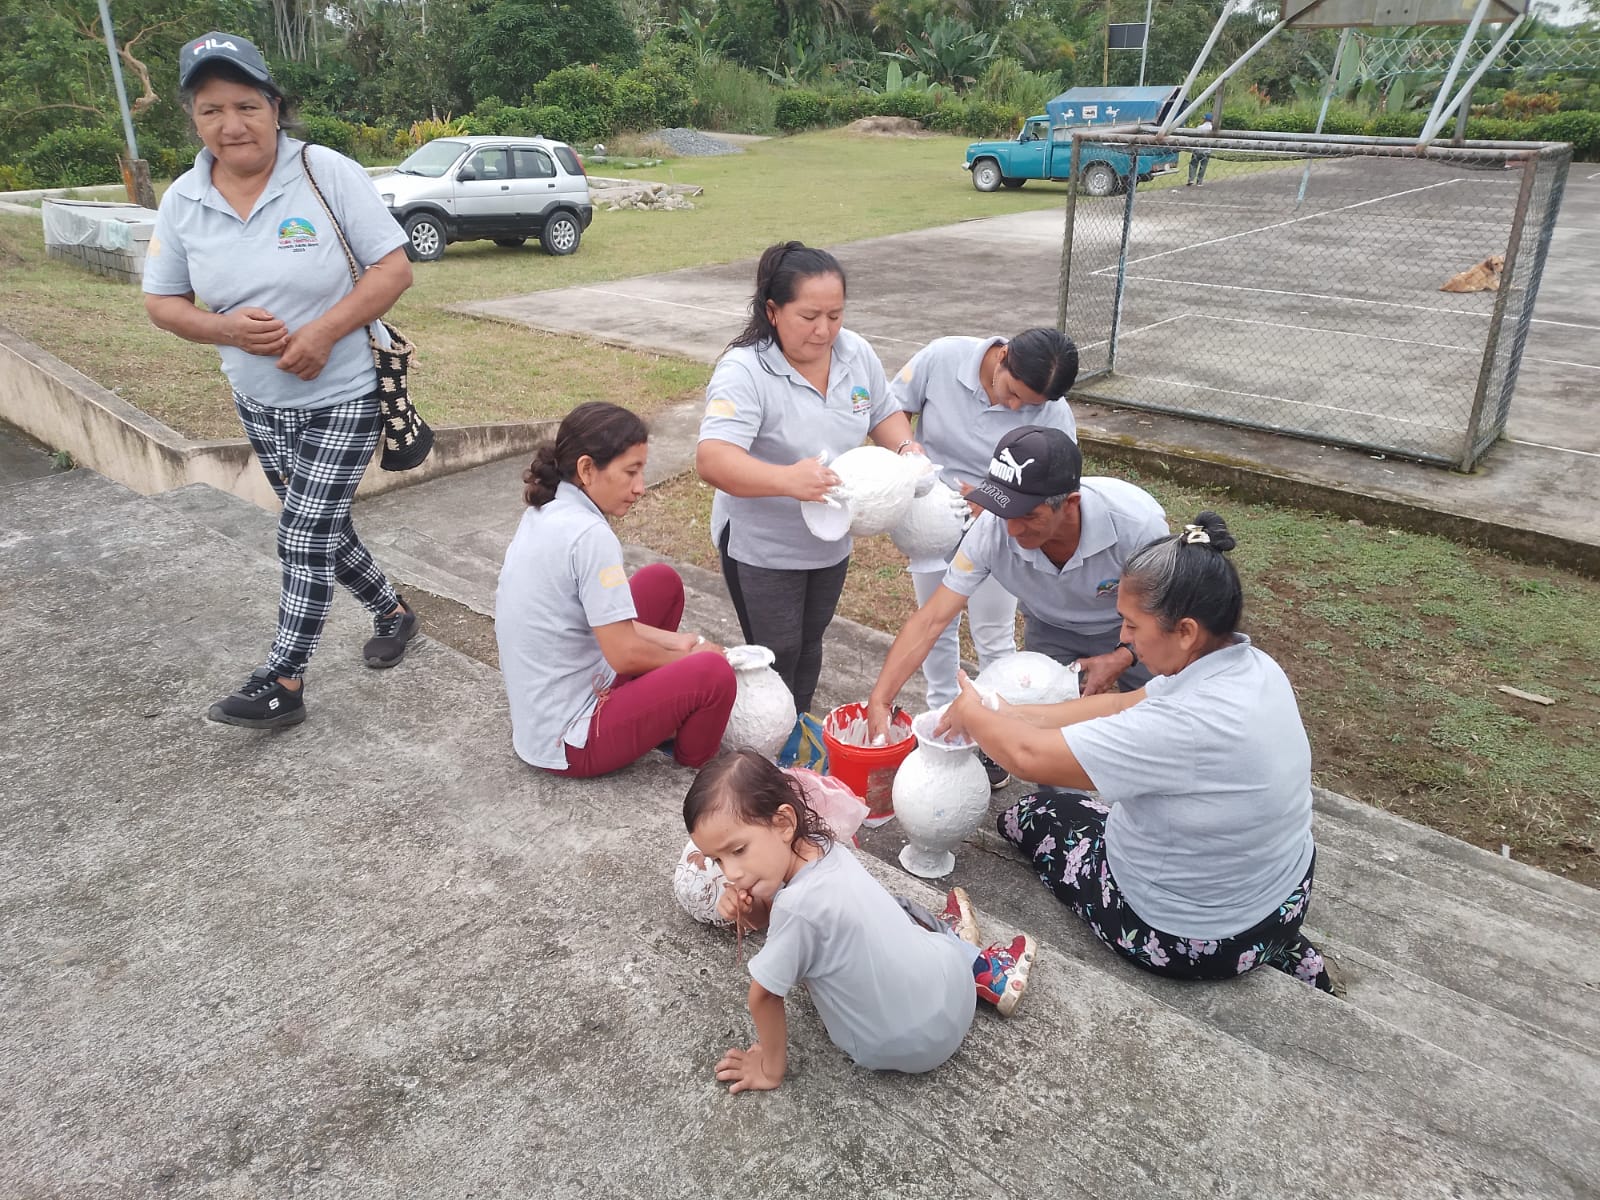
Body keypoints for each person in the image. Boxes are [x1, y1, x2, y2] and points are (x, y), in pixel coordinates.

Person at [941, 512, 1340, 995]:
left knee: (1031, 814)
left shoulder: (1182, 725)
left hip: (1184, 936)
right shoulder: (1253, 667)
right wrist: (1008, 711)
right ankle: (1285, 951)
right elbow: (1120, 704)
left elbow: (1026, 757)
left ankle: (1233, 949)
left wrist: (971, 712)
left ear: (1186, 631)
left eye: (1132, 624)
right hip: (1284, 898)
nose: (1124, 638)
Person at [143, 32, 416, 729]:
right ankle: (392, 612)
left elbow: (393, 269)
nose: (231, 124)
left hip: (345, 393)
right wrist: (226, 330)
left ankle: (283, 681)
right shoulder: (183, 200)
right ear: (193, 118)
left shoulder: (325, 172)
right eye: (211, 110)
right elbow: (162, 302)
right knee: (322, 529)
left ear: (274, 105)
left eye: (246, 105)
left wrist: (322, 333)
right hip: (260, 403)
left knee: (301, 535)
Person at [683, 750, 1037, 1092]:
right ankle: (968, 954)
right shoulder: (822, 846)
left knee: (894, 915)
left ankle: (954, 938)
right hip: (955, 997)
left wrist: (769, 1069)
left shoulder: (796, 909)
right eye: (718, 861)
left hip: (896, 1048)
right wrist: (748, 911)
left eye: (738, 850)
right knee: (899, 910)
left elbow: (763, 996)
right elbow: (773, 918)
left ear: (783, 823)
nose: (732, 873)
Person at [696, 241, 922, 720]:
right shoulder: (745, 370)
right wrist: (787, 479)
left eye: (835, 315)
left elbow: (883, 412)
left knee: (812, 640)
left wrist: (906, 449)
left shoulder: (854, 353)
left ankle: (797, 728)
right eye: (809, 316)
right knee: (777, 651)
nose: (824, 330)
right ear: (773, 311)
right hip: (764, 546)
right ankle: (765, 738)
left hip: (830, 539)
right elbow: (713, 459)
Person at [866, 426, 1168, 780]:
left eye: (1028, 515)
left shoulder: (1137, 526)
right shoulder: (992, 531)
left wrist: (1123, 655)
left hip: (1138, 628)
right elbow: (932, 619)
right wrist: (880, 699)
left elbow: (1168, 614)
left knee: (1157, 726)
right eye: (1005, 511)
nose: (1012, 530)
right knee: (1045, 747)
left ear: (1070, 504)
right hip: (1051, 628)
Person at [496, 403, 736, 776]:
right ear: (587, 469)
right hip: (569, 740)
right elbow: (623, 653)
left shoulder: (548, 509)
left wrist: (678, 642)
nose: (640, 487)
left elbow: (602, 624)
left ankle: (655, 714)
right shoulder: (590, 536)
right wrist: (693, 659)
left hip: (545, 716)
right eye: (630, 472)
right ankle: (693, 765)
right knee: (714, 674)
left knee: (661, 583)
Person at [887, 328, 1081, 719]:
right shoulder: (943, 358)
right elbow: (891, 410)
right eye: (1012, 392)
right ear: (1003, 356)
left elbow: (1060, 485)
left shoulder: (1054, 411)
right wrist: (907, 450)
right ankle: (941, 715)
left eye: (1027, 406)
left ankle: (999, 722)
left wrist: (996, 503)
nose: (1014, 406)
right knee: (936, 622)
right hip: (932, 518)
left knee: (993, 632)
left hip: (1001, 525)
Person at [1187, 112, 1214, 187]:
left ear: (1204, 119)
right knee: (1203, 166)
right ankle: (1199, 181)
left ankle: (1191, 179)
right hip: (1207, 150)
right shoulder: (1212, 129)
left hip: (1197, 149)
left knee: (1193, 164)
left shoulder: (1199, 127)